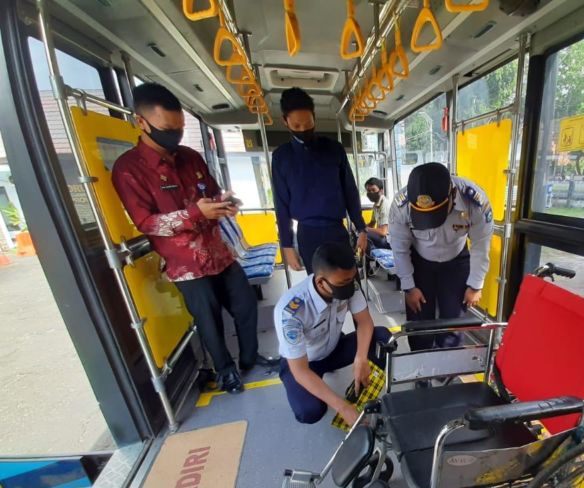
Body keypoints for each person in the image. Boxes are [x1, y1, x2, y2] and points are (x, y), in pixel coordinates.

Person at [111, 82, 278, 394]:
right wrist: (195, 214)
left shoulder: (190, 157)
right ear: (141, 122)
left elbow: (211, 193)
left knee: (245, 307)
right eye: (166, 128)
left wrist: (225, 202)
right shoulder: (129, 169)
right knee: (209, 322)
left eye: (178, 128)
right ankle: (225, 371)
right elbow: (146, 223)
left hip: (221, 254)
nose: (173, 134)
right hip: (187, 265)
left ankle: (249, 359)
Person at [275, 243, 391, 426]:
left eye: (352, 278)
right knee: (310, 411)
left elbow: (364, 322)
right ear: (321, 281)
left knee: (383, 338)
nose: (350, 286)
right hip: (304, 362)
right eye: (343, 283)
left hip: (333, 348)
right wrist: (343, 407)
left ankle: (362, 387)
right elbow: (300, 370)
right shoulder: (291, 311)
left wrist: (360, 358)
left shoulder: (347, 282)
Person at [389, 163, 493, 351]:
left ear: (452, 195)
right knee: (419, 318)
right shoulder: (401, 205)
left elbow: (480, 246)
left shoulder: (475, 202)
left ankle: (448, 369)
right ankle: (421, 365)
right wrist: (409, 287)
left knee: (453, 319)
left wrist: (476, 285)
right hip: (419, 261)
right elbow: (399, 249)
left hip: (456, 260)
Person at [271, 88, 368, 274]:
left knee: (348, 283)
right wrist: (287, 245)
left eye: (308, 124)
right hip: (307, 233)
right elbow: (281, 204)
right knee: (319, 288)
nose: (303, 130)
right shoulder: (281, 157)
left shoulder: (334, 149)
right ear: (285, 122)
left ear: (314, 117)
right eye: (297, 126)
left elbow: (350, 191)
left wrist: (361, 228)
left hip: (336, 230)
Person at [364, 177, 391, 250]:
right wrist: (359, 226)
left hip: (389, 240)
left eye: (373, 190)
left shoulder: (384, 204)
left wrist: (365, 229)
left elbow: (383, 232)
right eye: (369, 191)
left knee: (364, 235)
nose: (371, 193)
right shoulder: (376, 205)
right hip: (383, 238)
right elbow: (371, 224)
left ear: (381, 191)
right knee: (360, 233)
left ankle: (370, 258)